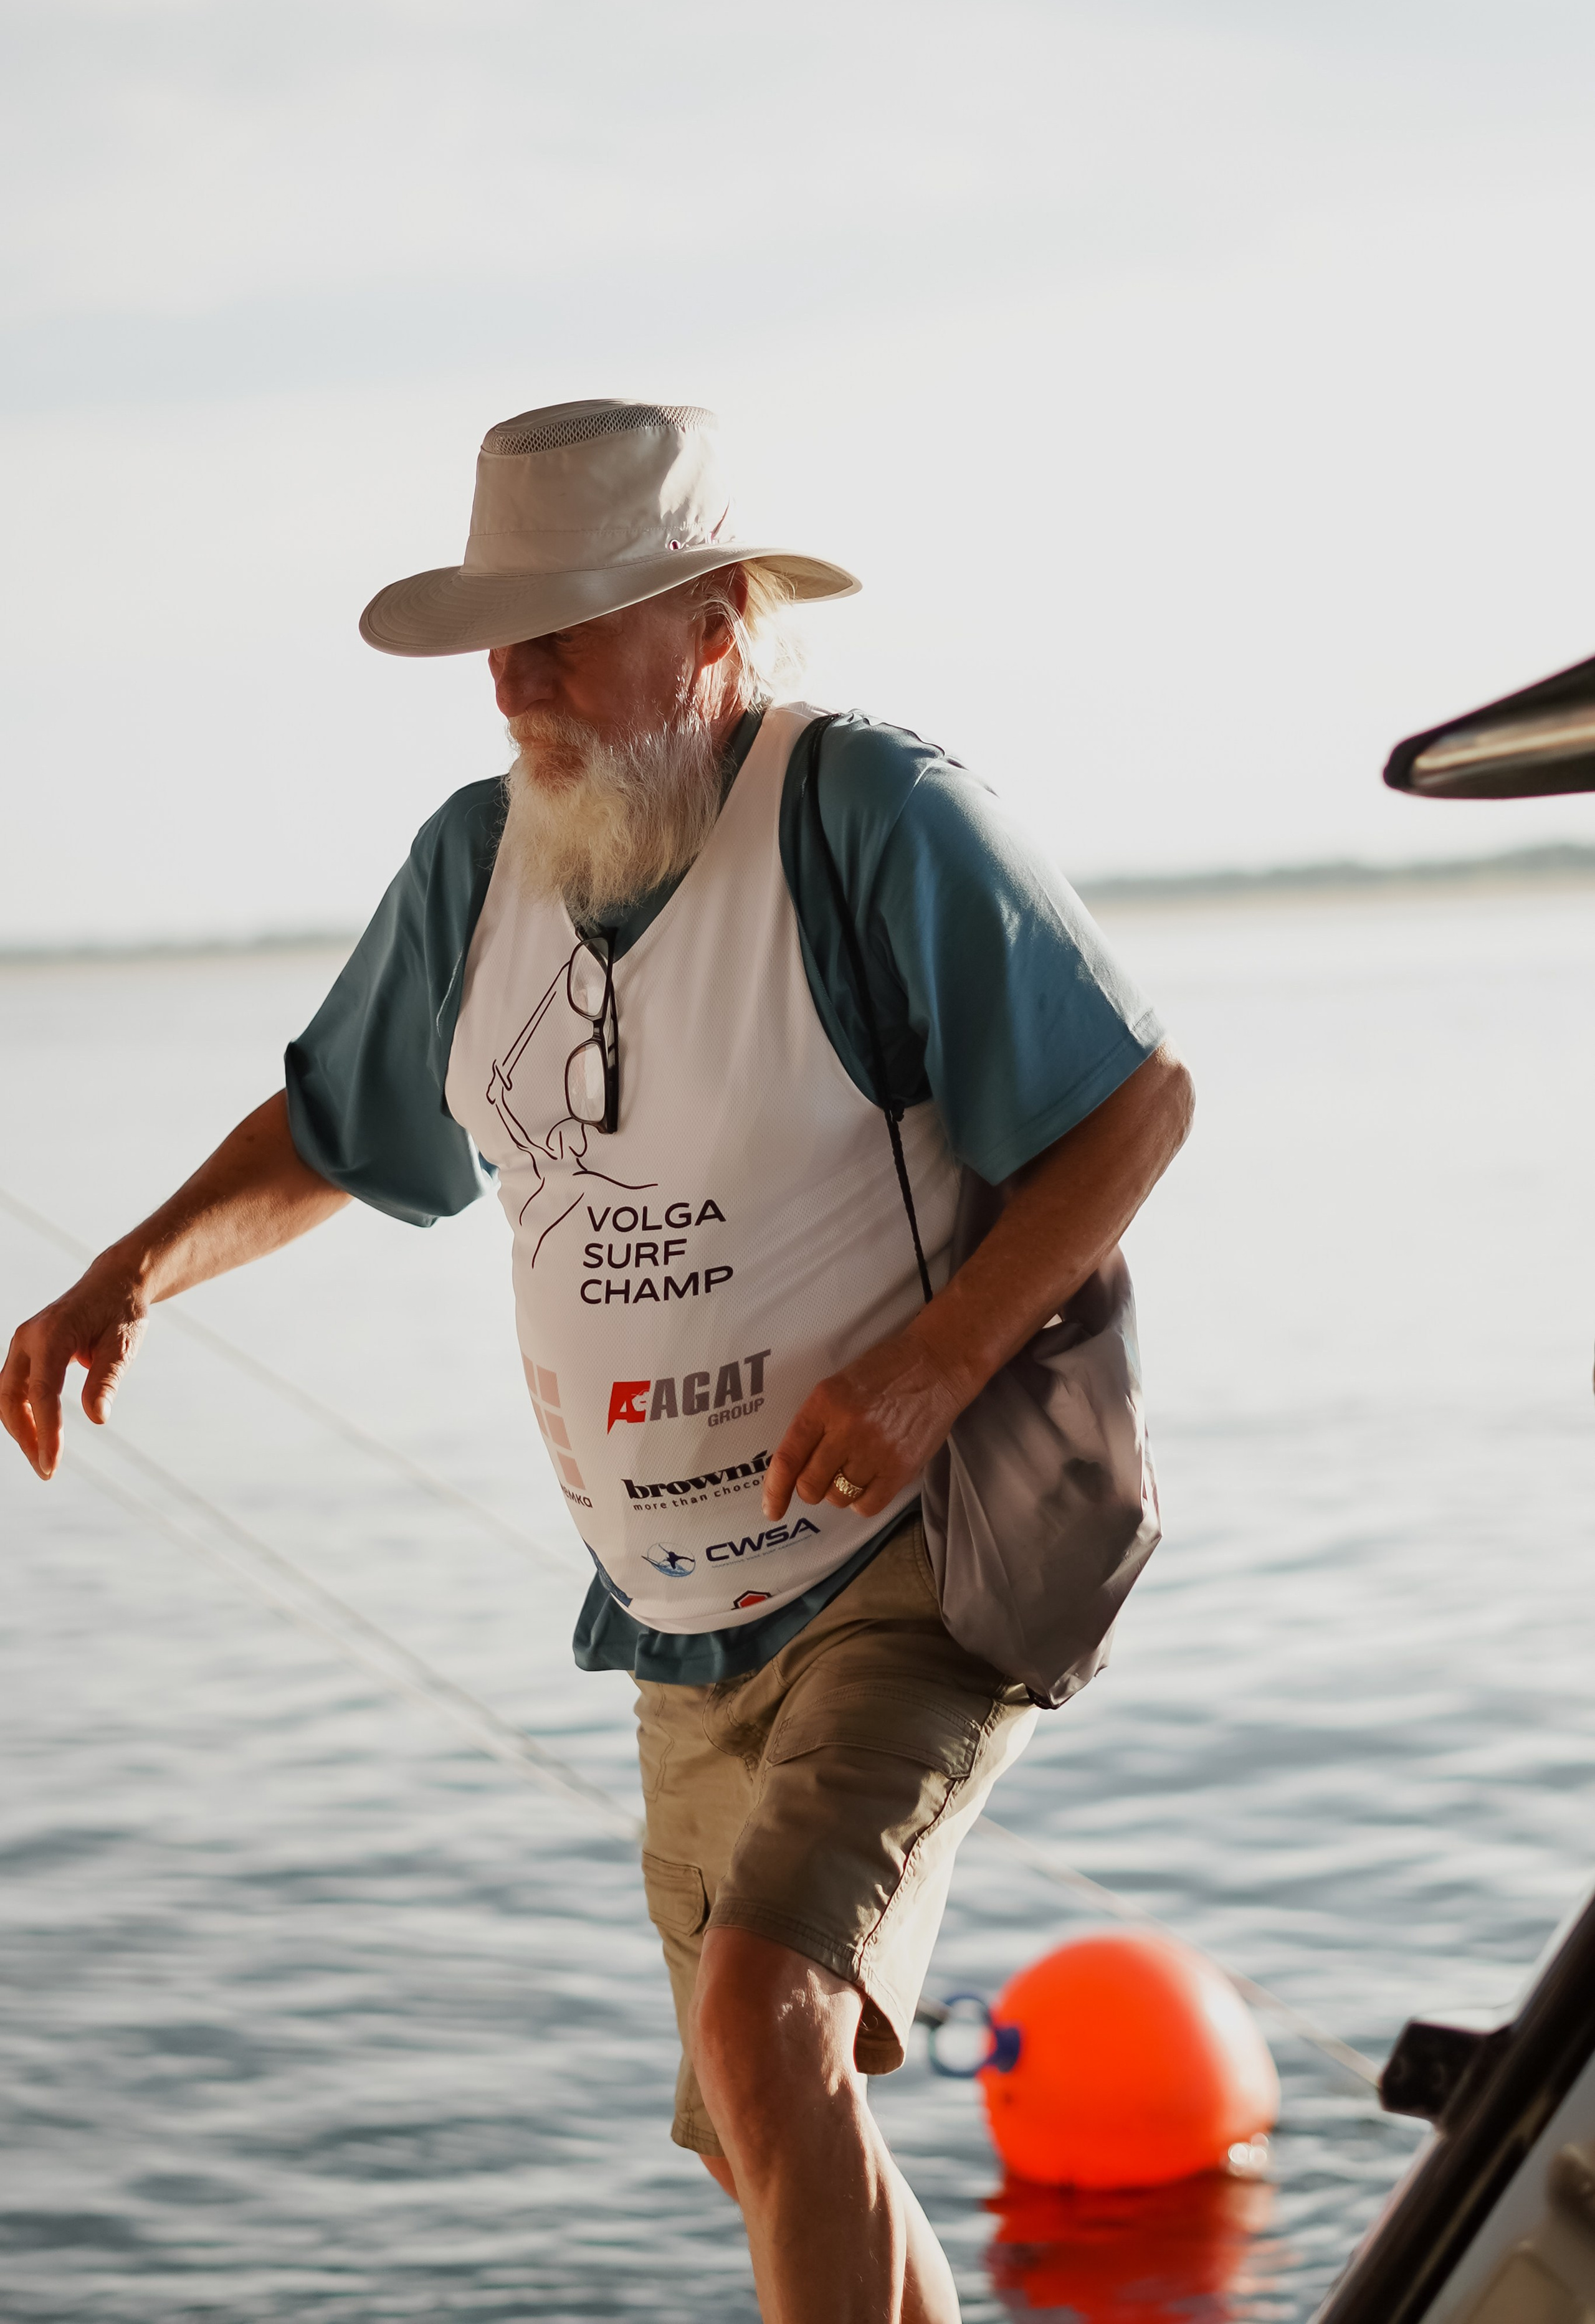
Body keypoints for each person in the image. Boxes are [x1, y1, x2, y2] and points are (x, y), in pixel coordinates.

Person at [1, 398, 1193, 2324]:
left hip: (913, 1558)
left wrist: (928, 1371)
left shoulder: (871, 813)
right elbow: (331, 1127)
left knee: (767, 2016)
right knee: (758, 2109)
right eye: (500, 631)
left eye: (561, 622)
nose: (512, 677)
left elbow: (1136, 1105)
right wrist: (132, 1272)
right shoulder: (480, 865)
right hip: (675, 1613)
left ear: (715, 622)